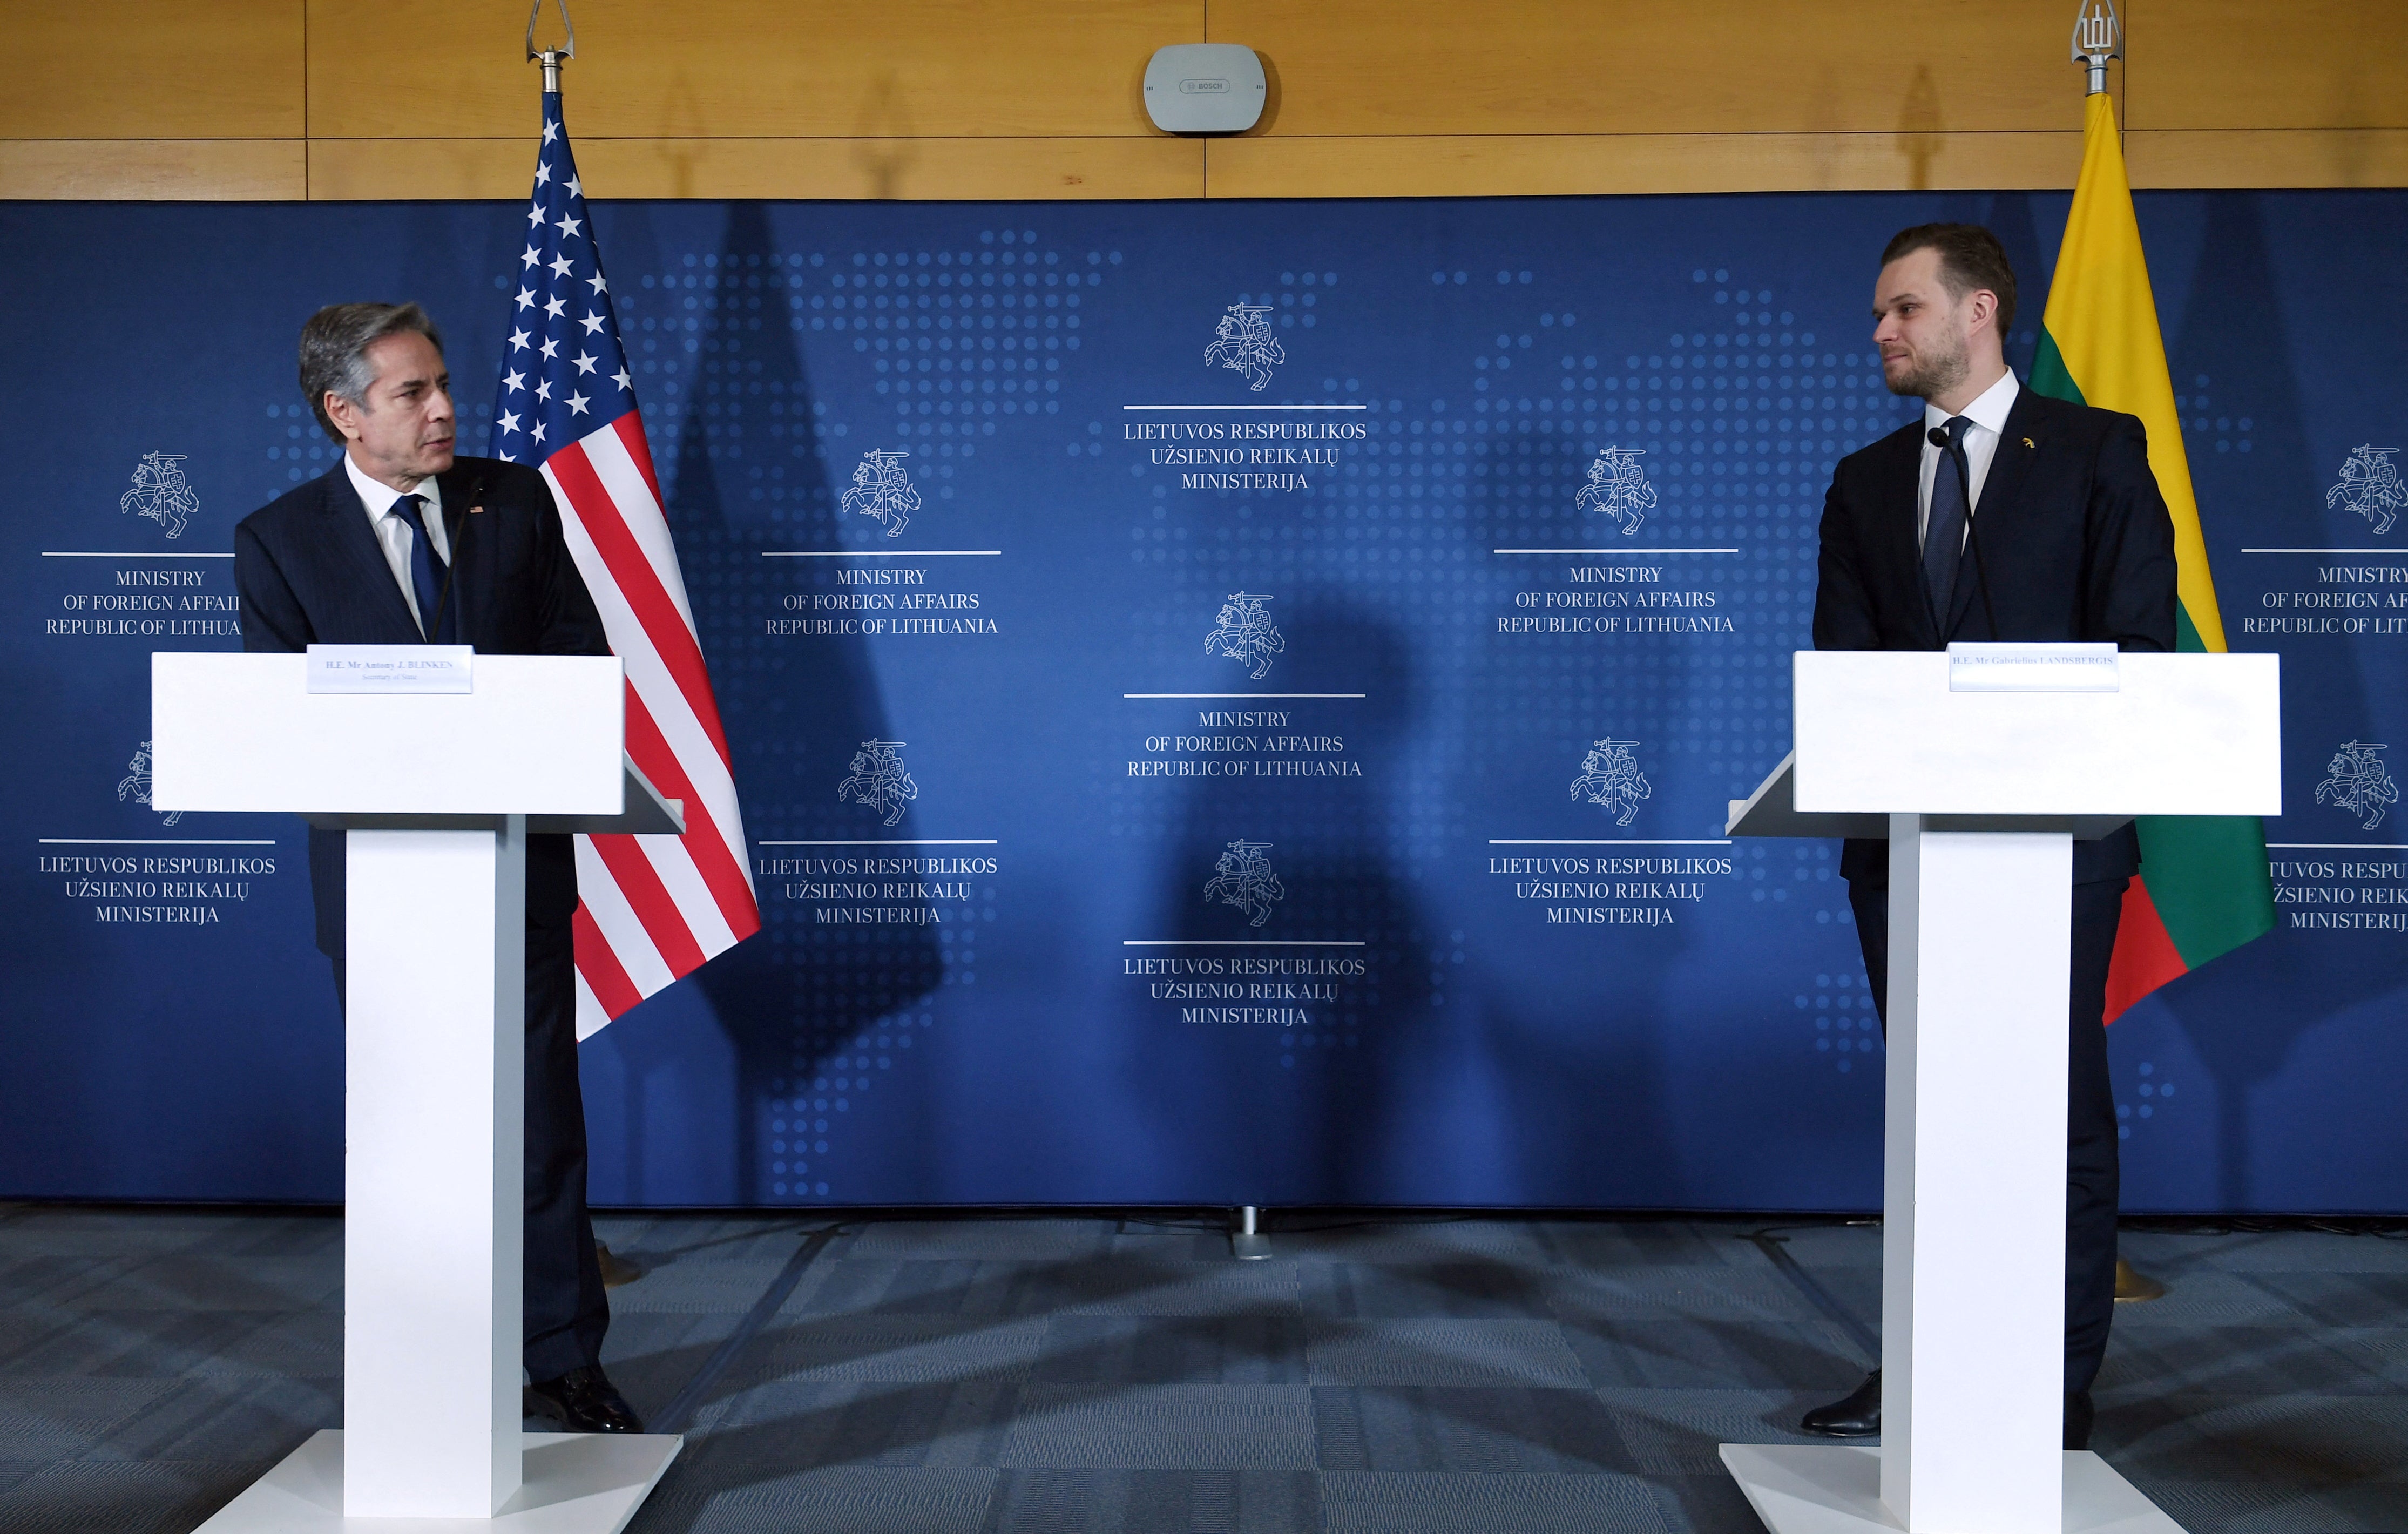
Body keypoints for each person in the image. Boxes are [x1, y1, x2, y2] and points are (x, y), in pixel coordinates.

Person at [234, 303, 642, 1434]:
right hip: (381, 891)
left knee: (540, 1126)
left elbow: (580, 665)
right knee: (409, 1131)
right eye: (412, 393)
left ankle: (565, 1356)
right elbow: (282, 727)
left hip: (514, 876)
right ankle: (426, 1355)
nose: (444, 408)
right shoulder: (277, 538)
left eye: (443, 383)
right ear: (344, 413)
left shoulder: (512, 498)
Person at [1802, 225, 2176, 1450]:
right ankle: (1925, 1368)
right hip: (1902, 852)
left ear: (1980, 314)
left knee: (2054, 1110)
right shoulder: (1862, 481)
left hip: (2057, 852)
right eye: (1876, 314)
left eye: (1901, 308)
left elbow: (2138, 652)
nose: (1880, 333)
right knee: (1934, 1118)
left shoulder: (2095, 451)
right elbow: (1847, 681)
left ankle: (2054, 1382)